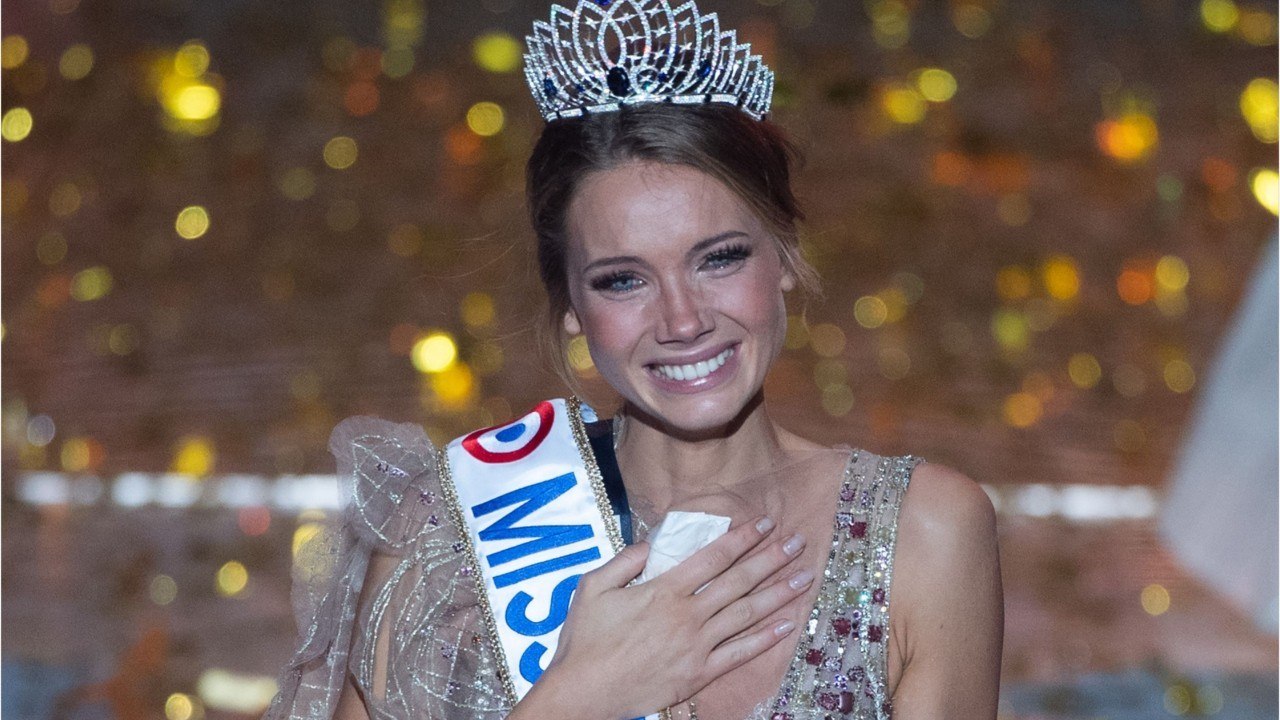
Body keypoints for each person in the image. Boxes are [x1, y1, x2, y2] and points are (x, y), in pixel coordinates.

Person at [264, 2, 1003, 719]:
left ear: (783, 255)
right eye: (623, 280)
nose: (682, 320)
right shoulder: (447, 534)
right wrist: (581, 696)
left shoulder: (924, 534)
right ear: (570, 306)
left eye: (719, 258)